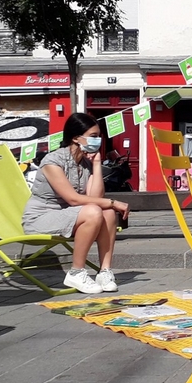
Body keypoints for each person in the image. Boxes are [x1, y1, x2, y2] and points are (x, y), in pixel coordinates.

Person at [22, 113, 130, 294]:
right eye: (93, 136)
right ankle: (76, 272)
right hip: (42, 217)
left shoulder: (85, 163)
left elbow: (95, 196)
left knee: (108, 212)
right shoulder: (52, 161)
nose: (98, 140)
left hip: (69, 215)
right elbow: (73, 199)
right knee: (95, 211)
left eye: (99, 136)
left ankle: (104, 271)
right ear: (75, 137)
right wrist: (113, 201)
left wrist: (96, 164)